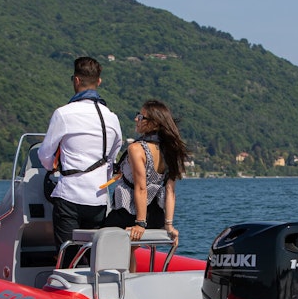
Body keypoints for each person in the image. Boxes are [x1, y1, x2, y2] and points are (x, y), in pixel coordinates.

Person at [38, 57, 123, 265]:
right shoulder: (111, 118)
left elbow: (45, 156)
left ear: (76, 80)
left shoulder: (63, 114)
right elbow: (113, 156)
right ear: (99, 81)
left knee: (68, 258)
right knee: (93, 257)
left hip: (70, 196)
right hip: (99, 199)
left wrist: (53, 167)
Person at [103, 99, 190, 271]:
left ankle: (120, 281)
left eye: (141, 117)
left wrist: (140, 223)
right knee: (129, 250)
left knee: (100, 241)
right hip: (156, 217)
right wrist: (169, 225)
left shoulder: (137, 149)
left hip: (129, 213)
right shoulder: (170, 150)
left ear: (154, 123)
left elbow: (141, 188)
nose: (136, 119)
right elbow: (170, 192)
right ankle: (130, 280)